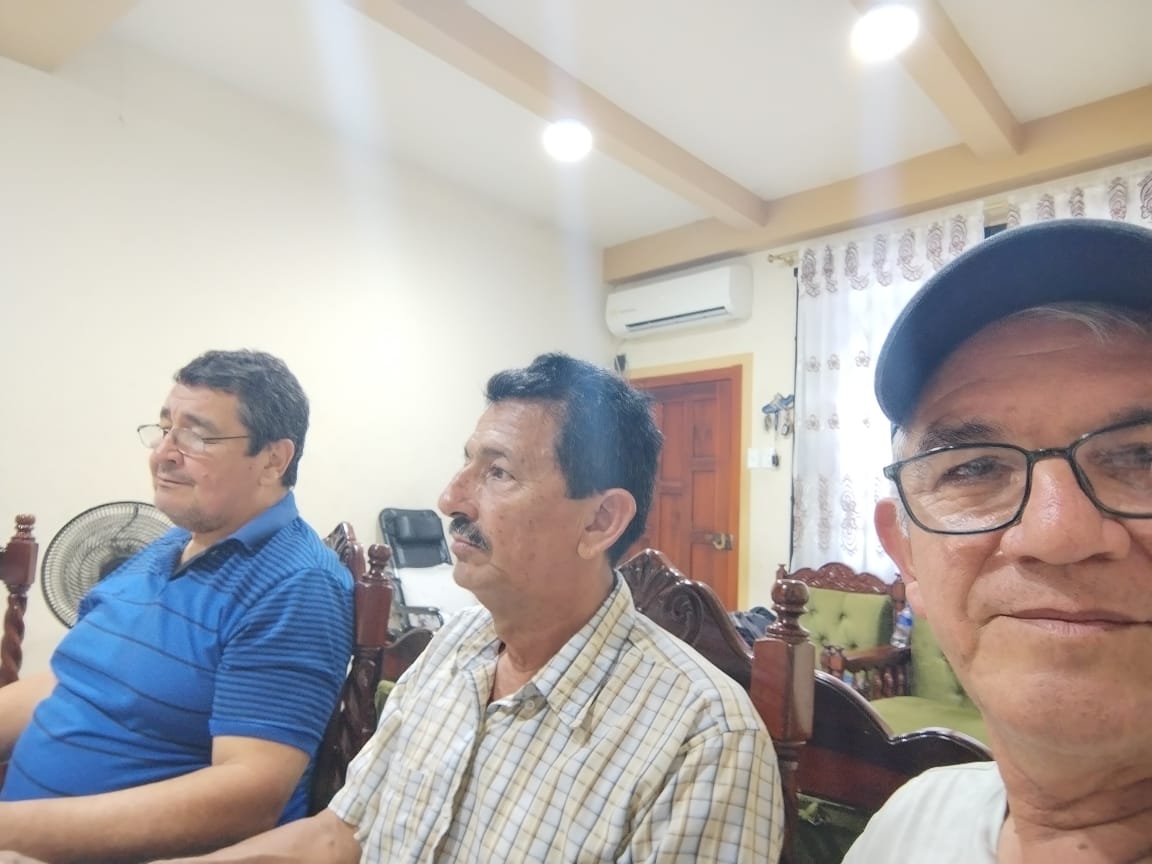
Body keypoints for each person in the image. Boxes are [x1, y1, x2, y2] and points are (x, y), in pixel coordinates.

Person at [146, 352, 783, 863]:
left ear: (600, 521)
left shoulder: (702, 738)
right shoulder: (454, 647)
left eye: (498, 472)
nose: (451, 497)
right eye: (467, 463)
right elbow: (340, 835)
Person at [844, 218, 1152, 863]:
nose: (1057, 533)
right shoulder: (909, 823)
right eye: (975, 469)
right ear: (908, 559)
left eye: (1143, 458)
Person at [0, 349, 354, 863]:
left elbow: (248, 796)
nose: (163, 454)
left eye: (196, 436)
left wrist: (9, 830)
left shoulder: (296, 585)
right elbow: (70, 680)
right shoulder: (166, 546)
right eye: (165, 429)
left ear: (273, 460)